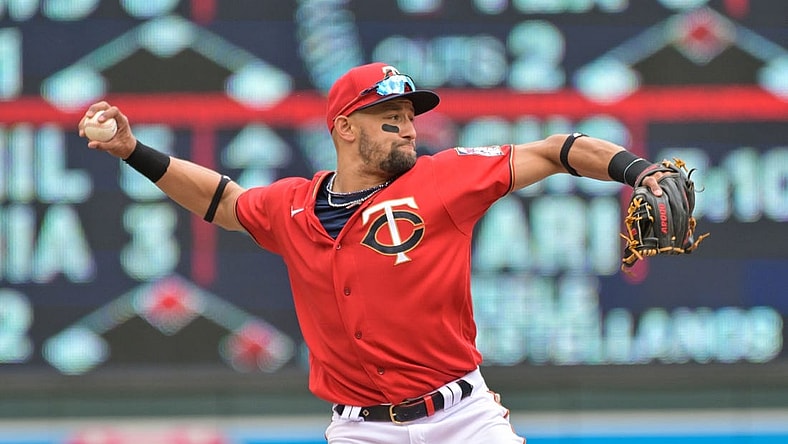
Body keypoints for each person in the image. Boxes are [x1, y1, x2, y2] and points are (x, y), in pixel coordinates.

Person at [79, 62, 665, 443]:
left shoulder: (445, 180)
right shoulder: (293, 207)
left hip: (463, 420)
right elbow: (224, 201)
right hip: (361, 430)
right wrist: (134, 150)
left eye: (410, 118)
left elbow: (558, 149)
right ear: (345, 129)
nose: (408, 130)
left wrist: (637, 171)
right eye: (389, 119)